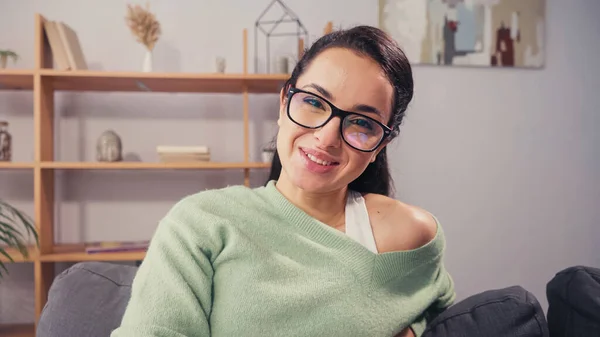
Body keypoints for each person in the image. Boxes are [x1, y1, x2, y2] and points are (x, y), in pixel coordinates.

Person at [111, 25, 455, 337]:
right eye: (313, 102)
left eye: (362, 123)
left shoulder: (412, 233)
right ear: (283, 102)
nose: (326, 137)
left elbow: (448, 317)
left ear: (381, 144)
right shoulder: (200, 223)